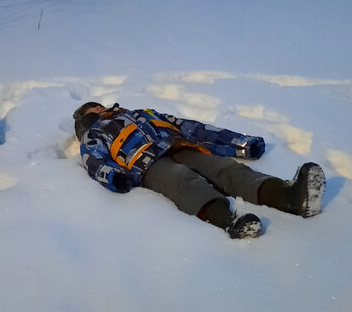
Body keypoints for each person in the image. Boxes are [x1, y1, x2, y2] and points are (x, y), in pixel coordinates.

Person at [73, 100, 325, 239]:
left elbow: (192, 127)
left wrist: (240, 144)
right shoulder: (95, 133)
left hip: (180, 146)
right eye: (89, 110)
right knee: (182, 179)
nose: (97, 109)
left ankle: (291, 197)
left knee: (225, 169)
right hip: (146, 164)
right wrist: (114, 177)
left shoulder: (143, 114)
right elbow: (93, 161)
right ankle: (229, 222)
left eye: (97, 105)